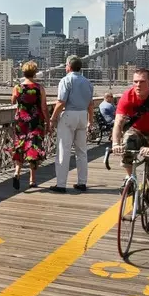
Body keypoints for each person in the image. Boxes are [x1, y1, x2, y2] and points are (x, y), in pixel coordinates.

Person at [112, 68, 149, 234]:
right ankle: (129, 177)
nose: (138, 85)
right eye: (135, 81)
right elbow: (118, 123)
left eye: (142, 82)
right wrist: (115, 143)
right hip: (137, 130)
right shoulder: (127, 96)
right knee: (126, 143)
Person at [49, 55, 94, 193]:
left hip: (69, 115)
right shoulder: (88, 82)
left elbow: (61, 102)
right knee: (81, 151)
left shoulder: (66, 80)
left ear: (69, 66)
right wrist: (90, 120)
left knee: (64, 150)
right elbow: (91, 104)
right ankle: (82, 182)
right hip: (82, 115)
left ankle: (61, 184)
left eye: (66, 65)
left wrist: (52, 118)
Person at [10, 61, 49, 190]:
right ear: (35, 72)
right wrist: (48, 122)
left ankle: (17, 172)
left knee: (20, 146)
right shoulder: (39, 88)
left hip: (21, 120)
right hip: (36, 121)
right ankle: (32, 180)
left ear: (23, 72)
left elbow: (13, 101)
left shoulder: (18, 87)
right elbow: (43, 107)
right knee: (33, 147)